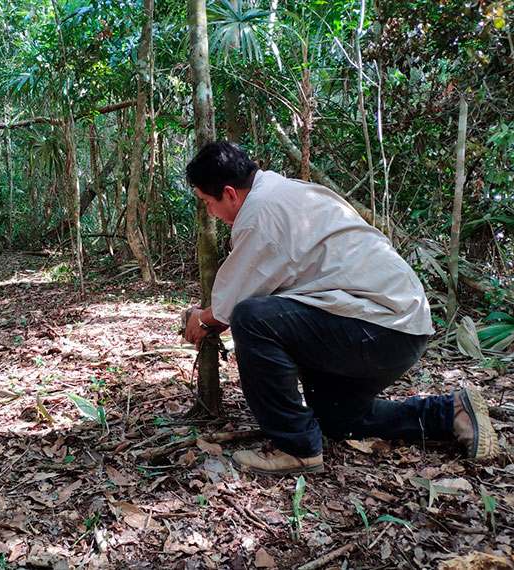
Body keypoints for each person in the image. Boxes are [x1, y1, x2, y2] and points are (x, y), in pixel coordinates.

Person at [183, 141, 499, 475]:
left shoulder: (260, 213)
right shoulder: (284, 189)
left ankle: (296, 447)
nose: (209, 213)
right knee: (338, 418)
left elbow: (231, 306)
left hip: (379, 327)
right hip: (395, 326)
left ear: (229, 193)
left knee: (252, 319)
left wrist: (201, 319)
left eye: (207, 202)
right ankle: (451, 413)